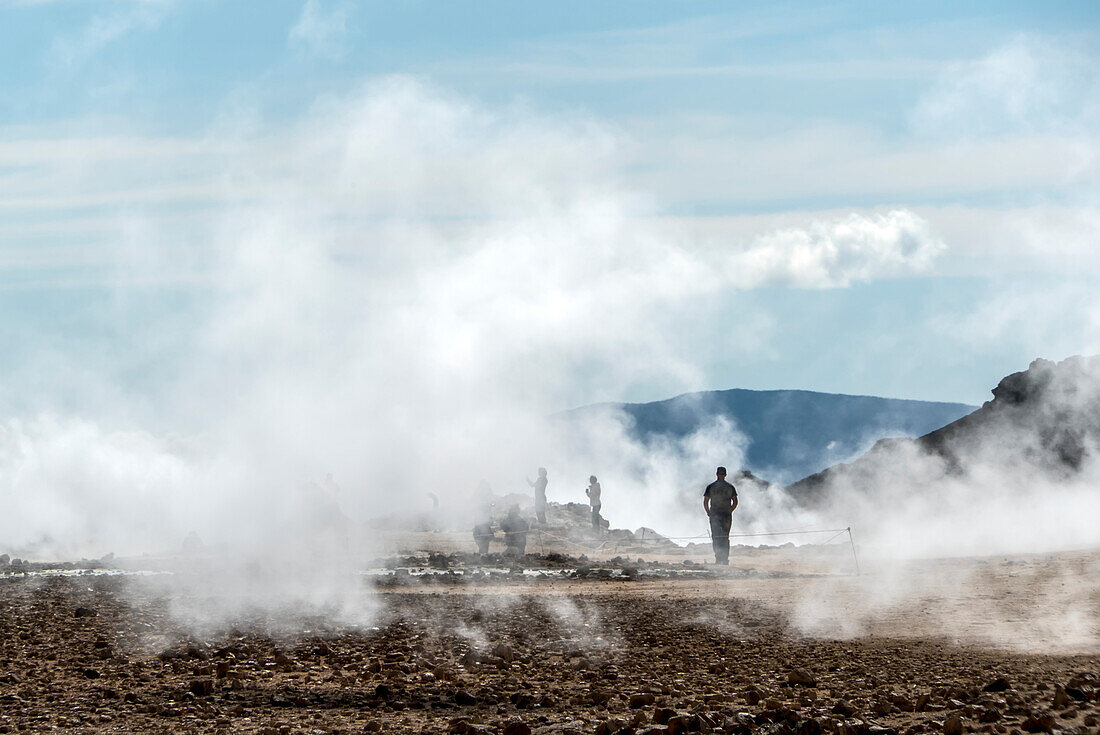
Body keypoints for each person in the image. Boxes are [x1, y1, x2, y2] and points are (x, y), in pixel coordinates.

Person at [703, 466, 738, 565]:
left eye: (721, 474)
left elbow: (705, 501)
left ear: (717, 474)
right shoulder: (729, 487)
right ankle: (723, 559)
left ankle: (721, 559)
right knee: (723, 537)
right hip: (722, 515)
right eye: (721, 474)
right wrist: (729, 510)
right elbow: (735, 501)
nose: (721, 476)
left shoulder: (711, 486)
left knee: (719, 537)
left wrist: (709, 512)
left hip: (717, 515)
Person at [473, 480, 495, 555]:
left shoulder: (483, 497)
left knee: (484, 546)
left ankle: (482, 557)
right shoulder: (480, 498)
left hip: (482, 525)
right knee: (483, 546)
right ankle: (482, 557)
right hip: (481, 525)